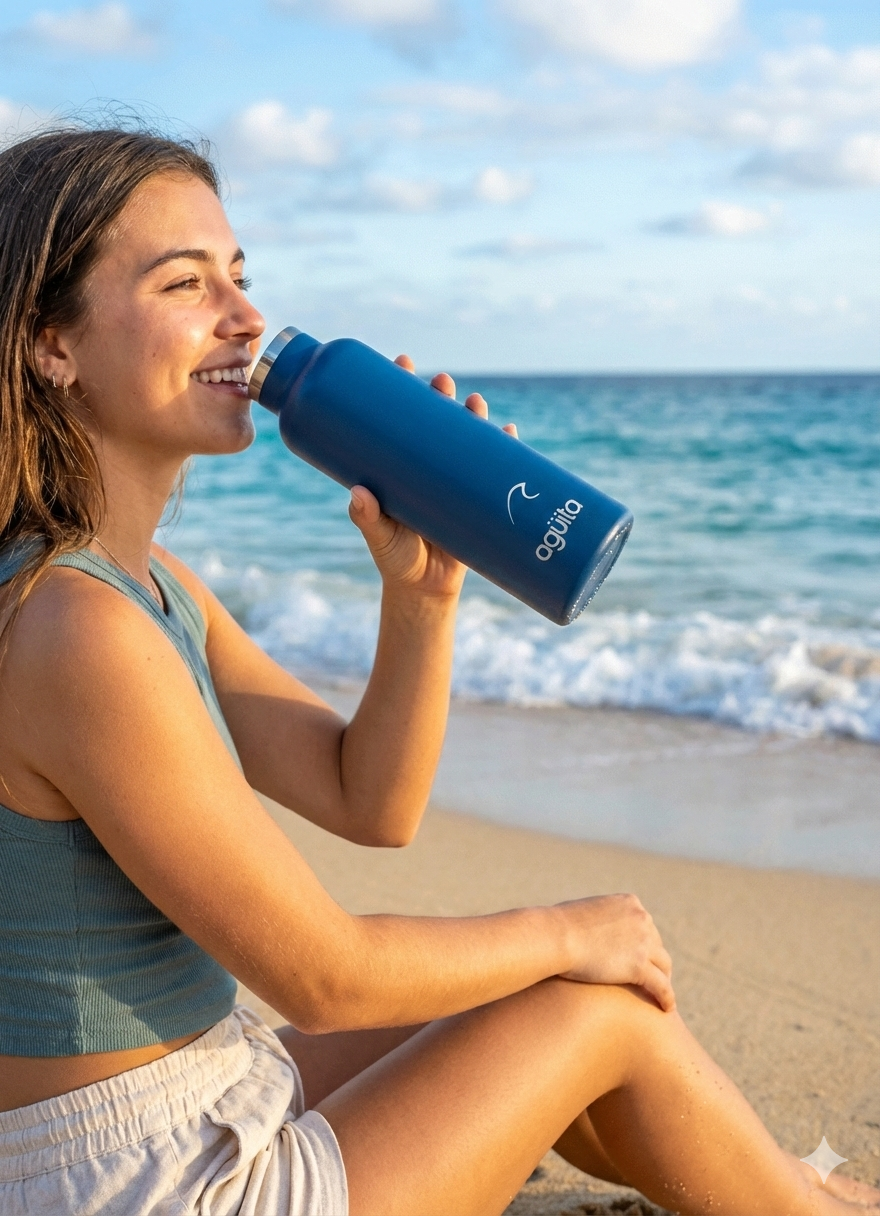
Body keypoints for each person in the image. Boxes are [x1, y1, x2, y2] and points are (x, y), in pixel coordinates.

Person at [0, 124, 876, 1216]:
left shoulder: (146, 587)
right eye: (185, 283)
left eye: (240, 276)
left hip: (199, 1092)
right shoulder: (75, 627)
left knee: (535, 1005)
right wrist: (572, 929)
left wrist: (422, 594)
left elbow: (370, 801)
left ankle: (787, 1189)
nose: (245, 318)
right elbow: (324, 976)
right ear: (51, 344)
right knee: (595, 1009)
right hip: (146, 1180)